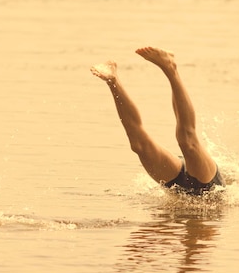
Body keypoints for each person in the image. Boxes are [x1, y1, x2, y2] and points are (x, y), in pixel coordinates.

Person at [90, 46, 225, 195]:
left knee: (166, 143)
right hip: (199, 184)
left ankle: (169, 68)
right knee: (182, 142)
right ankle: (113, 79)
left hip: (197, 183)